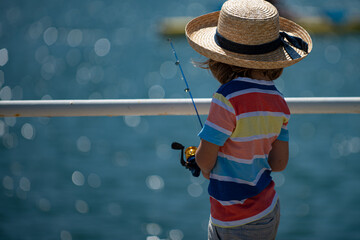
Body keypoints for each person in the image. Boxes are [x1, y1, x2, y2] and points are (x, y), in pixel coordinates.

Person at [185, 0, 312, 239]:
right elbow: (279, 163)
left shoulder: (227, 98)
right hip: (268, 210)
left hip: (233, 218)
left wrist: (200, 162)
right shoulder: (279, 102)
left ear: (218, 58)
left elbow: (205, 158)